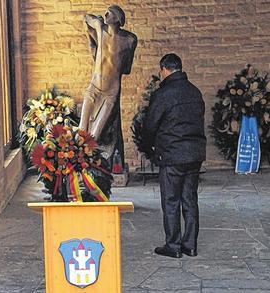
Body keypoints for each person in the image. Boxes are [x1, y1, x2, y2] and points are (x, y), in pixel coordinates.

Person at [141, 53, 206, 258]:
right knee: (190, 199)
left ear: (164, 70)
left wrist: (148, 147)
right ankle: (190, 245)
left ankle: (173, 246)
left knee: (171, 200)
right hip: (194, 154)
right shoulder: (195, 92)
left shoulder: (163, 94)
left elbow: (150, 125)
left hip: (172, 155)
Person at [79, 5, 137, 164]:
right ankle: (79, 166)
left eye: (110, 13)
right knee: (81, 131)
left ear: (118, 20)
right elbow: (87, 17)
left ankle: (94, 166)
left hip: (111, 94)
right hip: (93, 89)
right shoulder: (100, 29)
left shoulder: (129, 40)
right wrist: (96, 22)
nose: (105, 15)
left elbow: (127, 69)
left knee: (95, 135)